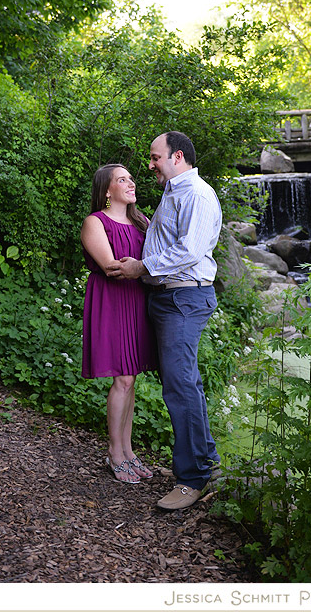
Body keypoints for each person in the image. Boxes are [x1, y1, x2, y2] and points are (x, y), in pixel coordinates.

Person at [106, 132, 222, 510]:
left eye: (156, 157)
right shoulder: (173, 193)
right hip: (167, 297)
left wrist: (141, 267)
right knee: (185, 383)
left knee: (179, 387)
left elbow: (189, 252)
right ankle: (207, 462)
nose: (150, 164)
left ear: (178, 156)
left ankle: (192, 479)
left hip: (184, 298)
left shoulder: (197, 195)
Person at [81, 163, 157, 485]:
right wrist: (145, 267)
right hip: (111, 301)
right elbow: (112, 267)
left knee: (132, 378)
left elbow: (156, 258)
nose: (131, 183)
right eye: (121, 179)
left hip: (137, 302)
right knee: (123, 379)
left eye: (131, 178)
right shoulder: (94, 222)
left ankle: (128, 450)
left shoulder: (141, 222)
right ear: (107, 189)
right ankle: (114, 453)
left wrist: (145, 267)